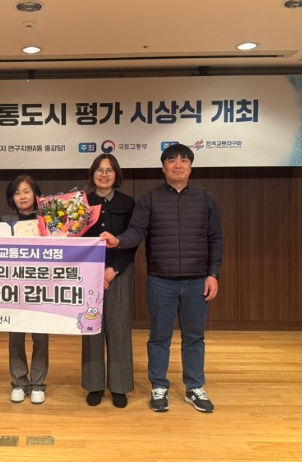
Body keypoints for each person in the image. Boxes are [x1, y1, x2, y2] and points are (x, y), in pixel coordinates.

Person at [101, 143, 222, 413]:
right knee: (159, 337)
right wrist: (118, 240)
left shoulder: (205, 199)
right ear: (163, 167)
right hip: (160, 280)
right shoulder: (150, 199)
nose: (178, 165)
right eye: (172, 160)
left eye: (183, 160)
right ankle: (159, 386)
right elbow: (136, 231)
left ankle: (194, 387)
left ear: (191, 167)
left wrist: (213, 274)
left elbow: (215, 239)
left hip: (197, 281)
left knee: (194, 337)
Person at [81, 154, 137, 408]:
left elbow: (132, 239)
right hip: (87, 274)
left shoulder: (128, 202)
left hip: (119, 273)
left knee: (119, 329)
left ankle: (119, 386)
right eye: (99, 170)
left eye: (109, 170)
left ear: (116, 175)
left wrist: (113, 269)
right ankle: (94, 385)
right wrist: (92, 271)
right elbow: (73, 239)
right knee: (91, 326)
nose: (104, 175)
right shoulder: (81, 203)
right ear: (92, 173)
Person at [1, 175, 49, 404]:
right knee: (15, 337)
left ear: (36, 195)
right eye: (17, 192)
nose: (22, 196)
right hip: (14, 288)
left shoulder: (48, 221)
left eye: (27, 191)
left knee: (41, 337)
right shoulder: (4, 222)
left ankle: (38, 384)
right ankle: (19, 382)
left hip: (42, 287)